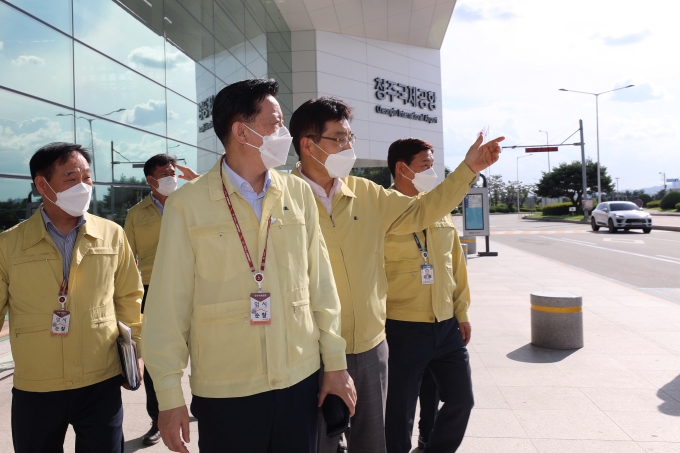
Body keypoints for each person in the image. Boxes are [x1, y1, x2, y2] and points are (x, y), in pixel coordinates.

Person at [141, 78, 355, 453]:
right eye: (274, 123)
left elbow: (321, 284)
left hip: (299, 381)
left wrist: (335, 365)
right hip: (227, 390)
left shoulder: (298, 192)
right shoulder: (187, 205)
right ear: (242, 131)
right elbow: (166, 308)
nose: (284, 133)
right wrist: (169, 395)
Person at [288, 97, 502, 453]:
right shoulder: (283, 197)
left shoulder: (368, 194)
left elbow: (424, 209)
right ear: (308, 144)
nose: (348, 146)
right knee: (318, 444)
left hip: (371, 347)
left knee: (374, 443)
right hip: (311, 351)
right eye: (338, 138)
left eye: (349, 137)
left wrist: (468, 168)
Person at [0, 142, 144, 453]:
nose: (83, 186)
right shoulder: (8, 245)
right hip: (37, 385)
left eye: (87, 178)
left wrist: (137, 351)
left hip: (100, 382)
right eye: (71, 177)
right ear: (42, 184)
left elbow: (129, 297)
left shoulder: (112, 234)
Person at [384, 138, 473, 453]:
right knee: (398, 412)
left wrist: (461, 312)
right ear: (401, 168)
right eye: (426, 165)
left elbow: (456, 265)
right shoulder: (383, 211)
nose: (432, 172)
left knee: (462, 399)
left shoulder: (440, 210)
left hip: (445, 324)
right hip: (402, 326)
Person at [123, 154, 200, 445]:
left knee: (204, 350)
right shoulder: (136, 214)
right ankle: (157, 418)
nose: (172, 177)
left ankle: (204, 404)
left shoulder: (193, 201)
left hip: (195, 288)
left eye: (174, 172)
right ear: (150, 180)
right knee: (157, 359)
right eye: (165, 174)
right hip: (152, 291)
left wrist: (197, 180)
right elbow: (127, 260)